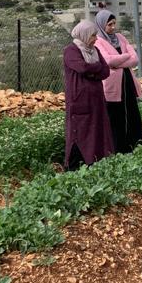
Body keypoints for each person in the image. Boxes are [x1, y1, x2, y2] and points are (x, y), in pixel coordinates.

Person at [63, 21, 114, 171]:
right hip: (80, 100)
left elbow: (106, 71)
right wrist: (95, 69)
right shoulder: (71, 51)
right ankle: (74, 168)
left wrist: (93, 70)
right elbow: (82, 67)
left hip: (96, 101)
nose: (95, 39)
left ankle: (94, 163)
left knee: (96, 132)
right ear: (83, 35)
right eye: (92, 35)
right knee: (79, 133)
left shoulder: (94, 50)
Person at [94, 9, 142, 154]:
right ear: (101, 25)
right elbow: (108, 60)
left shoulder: (121, 38)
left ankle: (136, 144)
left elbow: (135, 59)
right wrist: (125, 57)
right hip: (112, 85)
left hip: (127, 81)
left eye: (114, 24)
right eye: (109, 24)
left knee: (131, 111)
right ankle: (119, 149)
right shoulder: (98, 42)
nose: (112, 27)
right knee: (115, 116)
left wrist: (118, 61)